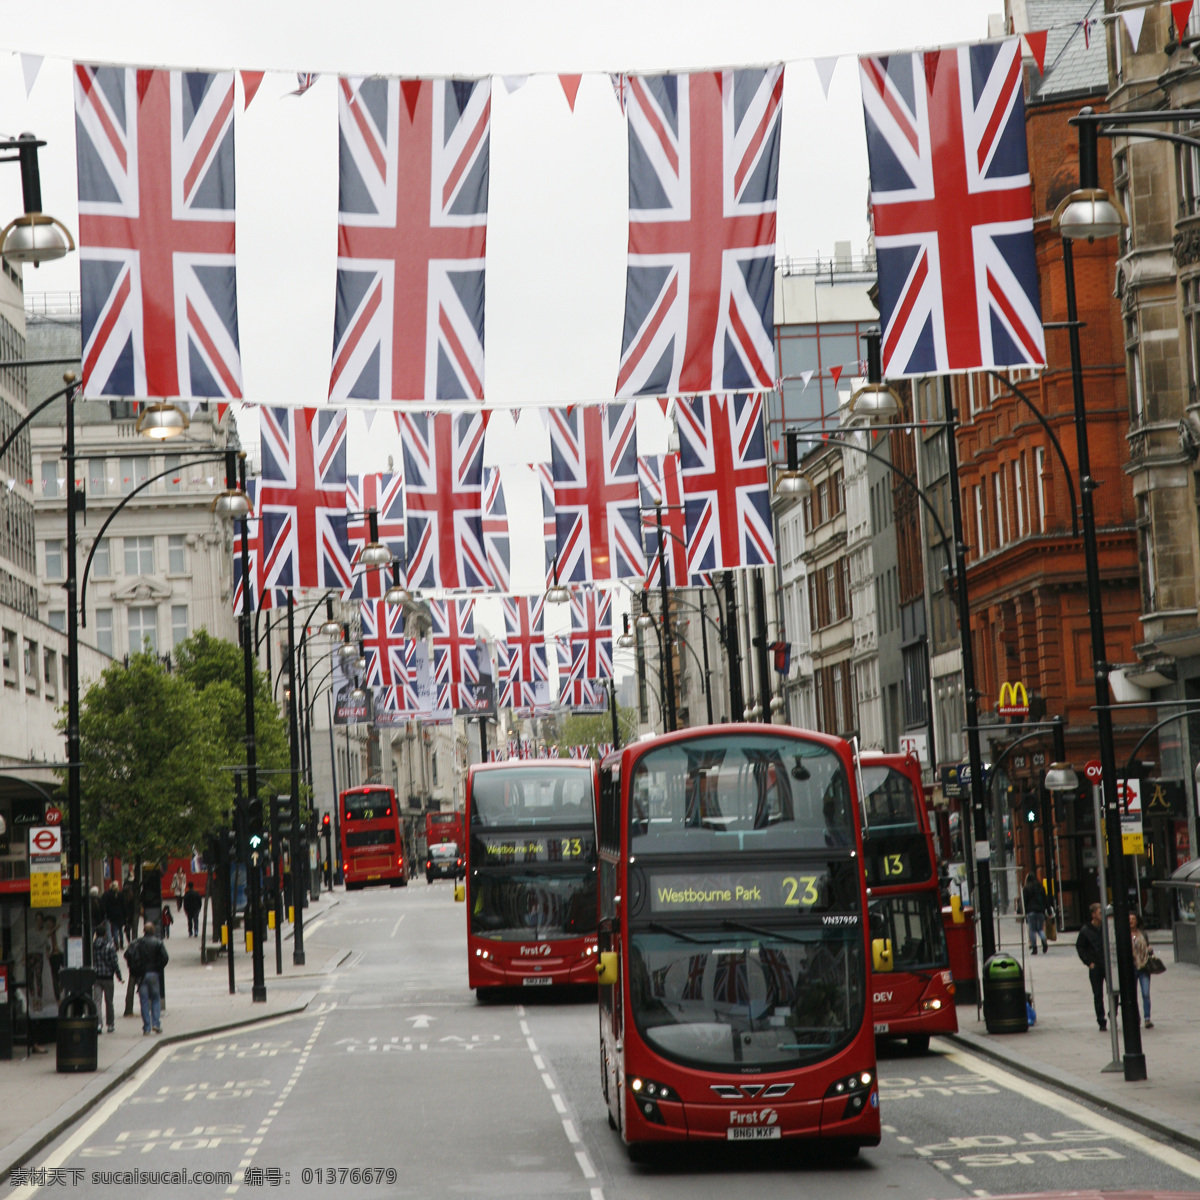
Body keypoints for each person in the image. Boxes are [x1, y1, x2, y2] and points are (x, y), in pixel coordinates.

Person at [125, 921, 169, 1035]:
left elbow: (127, 954)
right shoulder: (158, 943)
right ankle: (156, 1023)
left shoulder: (137, 943)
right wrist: (158, 967)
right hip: (153, 973)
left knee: (144, 1001)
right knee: (155, 998)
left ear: (143, 931)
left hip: (141, 975)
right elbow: (165, 958)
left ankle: (147, 1027)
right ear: (153, 931)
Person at [1076, 901, 1108, 1031]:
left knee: (1115, 990)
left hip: (1107, 964)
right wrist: (1088, 962)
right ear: (1093, 914)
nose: (1102, 915)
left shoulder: (1106, 927)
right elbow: (1080, 947)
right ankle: (1101, 1020)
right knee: (1098, 994)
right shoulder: (1086, 930)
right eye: (1100, 912)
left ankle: (1113, 1012)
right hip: (1096, 966)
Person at [92, 924, 123, 1034]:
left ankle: (99, 1024)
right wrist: (119, 976)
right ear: (105, 934)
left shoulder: (92, 946)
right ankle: (110, 1025)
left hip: (96, 978)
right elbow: (114, 963)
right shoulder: (110, 946)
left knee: (97, 1002)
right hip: (108, 977)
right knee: (109, 1002)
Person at [1130, 912, 1154, 1030]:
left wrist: (1150, 950)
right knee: (1132, 995)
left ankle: (1147, 1018)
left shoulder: (1143, 934)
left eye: (1133, 919)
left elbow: (1148, 947)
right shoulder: (1124, 934)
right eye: (1129, 919)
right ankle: (1136, 1018)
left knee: (1145, 993)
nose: (1131, 922)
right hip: (1131, 968)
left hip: (1143, 966)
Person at [1022, 872, 1048, 955]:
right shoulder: (1041, 887)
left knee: (1032, 930)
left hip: (1031, 912)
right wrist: (1049, 911)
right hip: (1040, 912)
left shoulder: (1026, 888)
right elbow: (1045, 900)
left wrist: (1023, 911)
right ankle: (1044, 940)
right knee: (1040, 929)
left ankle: (1034, 948)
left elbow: (1024, 902)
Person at [103, 882, 125, 949]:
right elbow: (123, 905)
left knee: (115, 929)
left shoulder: (109, 895)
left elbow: (108, 906)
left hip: (113, 914)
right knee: (120, 929)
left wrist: (108, 915)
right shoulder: (121, 894)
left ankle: (116, 944)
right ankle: (121, 943)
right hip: (120, 914)